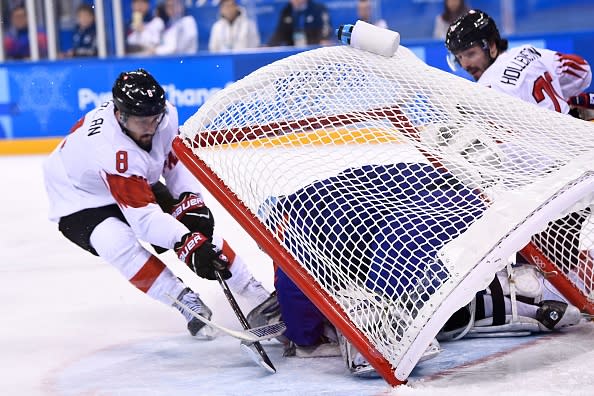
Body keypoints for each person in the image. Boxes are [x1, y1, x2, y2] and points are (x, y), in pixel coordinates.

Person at [255, 162, 581, 376]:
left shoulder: (288, 226)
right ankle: (514, 296)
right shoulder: (309, 202)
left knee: (380, 305)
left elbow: (293, 287)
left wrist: (304, 339)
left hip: (436, 208)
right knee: (408, 286)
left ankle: (520, 298)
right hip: (454, 196)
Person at [42, 69, 273, 338]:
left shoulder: (166, 115)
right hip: (76, 194)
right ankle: (185, 302)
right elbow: (144, 221)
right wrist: (186, 242)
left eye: (155, 118)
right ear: (121, 115)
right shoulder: (110, 150)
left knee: (196, 226)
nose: (151, 127)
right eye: (143, 122)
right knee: (117, 243)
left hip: (127, 177)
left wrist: (190, 202)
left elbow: (175, 163)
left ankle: (255, 293)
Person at [445, 9, 591, 114]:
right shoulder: (528, 51)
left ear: (492, 45)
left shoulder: (487, 89)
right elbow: (582, 70)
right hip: (575, 142)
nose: (465, 65)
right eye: (459, 57)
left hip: (547, 154)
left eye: (470, 54)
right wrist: (564, 98)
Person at [267, 0, 332, 47]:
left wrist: (324, 38)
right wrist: (269, 46)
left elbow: (326, 27)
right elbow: (279, 33)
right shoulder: (286, 11)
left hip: (314, 49)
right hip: (294, 52)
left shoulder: (319, 9)